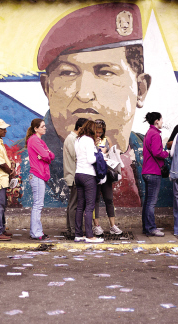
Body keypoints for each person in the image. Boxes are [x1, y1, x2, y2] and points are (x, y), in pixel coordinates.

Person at [31, 2, 151, 207]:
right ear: (47, 89)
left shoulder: (148, 153)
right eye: (68, 73)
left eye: (105, 72)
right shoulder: (23, 162)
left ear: (140, 89)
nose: (84, 94)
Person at [74, 120, 104, 243]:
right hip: (88, 175)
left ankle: (78, 234)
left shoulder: (78, 140)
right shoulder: (89, 140)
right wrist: (99, 154)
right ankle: (90, 236)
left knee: (80, 206)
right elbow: (91, 160)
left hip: (78, 174)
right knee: (89, 206)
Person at [26, 118, 55, 240]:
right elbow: (45, 155)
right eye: (42, 126)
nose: (45, 128)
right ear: (36, 128)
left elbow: (51, 156)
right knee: (38, 205)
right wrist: (45, 156)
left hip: (39, 175)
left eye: (44, 126)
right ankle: (36, 233)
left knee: (38, 204)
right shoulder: (34, 140)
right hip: (37, 175)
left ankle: (37, 232)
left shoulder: (40, 141)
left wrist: (46, 155)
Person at [92, 120, 122, 236]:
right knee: (95, 200)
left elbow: (111, 153)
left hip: (106, 172)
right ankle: (96, 226)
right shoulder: (90, 140)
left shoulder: (107, 139)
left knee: (109, 199)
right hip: (95, 173)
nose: (98, 134)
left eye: (100, 132)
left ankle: (113, 225)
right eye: (97, 132)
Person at [141, 112, 169, 237]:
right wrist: (167, 153)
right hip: (153, 172)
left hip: (147, 171)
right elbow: (157, 152)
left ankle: (146, 227)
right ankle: (151, 228)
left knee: (147, 202)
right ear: (157, 121)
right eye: (161, 119)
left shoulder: (149, 133)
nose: (162, 122)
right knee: (151, 202)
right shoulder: (156, 134)